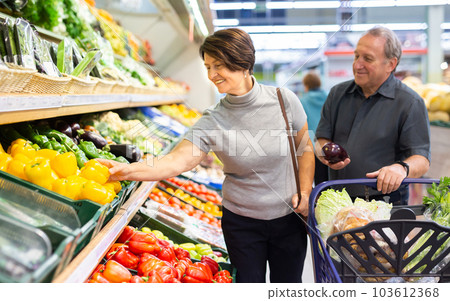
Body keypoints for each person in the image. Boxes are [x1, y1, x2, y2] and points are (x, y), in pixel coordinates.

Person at [98, 28, 315, 283]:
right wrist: (126, 170)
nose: (212, 75)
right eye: (208, 67)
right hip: (242, 224)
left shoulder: (284, 100)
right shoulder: (213, 119)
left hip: (288, 219)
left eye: (219, 66)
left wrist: (305, 192)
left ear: (243, 62)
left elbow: (305, 147)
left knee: (288, 286)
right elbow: (176, 161)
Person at [315, 26, 431, 205]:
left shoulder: (409, 102)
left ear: (390, 65)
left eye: (367, 59)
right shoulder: (337, 94)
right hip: (338, 202)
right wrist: (323, 151)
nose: (357, 64)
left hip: (385, 204)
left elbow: (421, 158)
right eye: (356, 56)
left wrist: (401, 169)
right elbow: (321, 140)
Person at [300, 71, 329, 185]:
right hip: (328, 143)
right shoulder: (329, 98)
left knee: (318, 180)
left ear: (306, 85)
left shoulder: (302, 101)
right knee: (329, 179)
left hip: (311, 146)